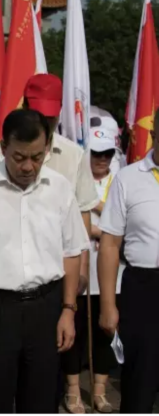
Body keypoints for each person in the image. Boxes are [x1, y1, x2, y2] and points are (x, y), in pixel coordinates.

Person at [0, 109, 89, 413]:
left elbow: (71, 252)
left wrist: (68, 310)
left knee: (41, 399)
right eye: (19, 158)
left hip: (47, 308)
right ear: (4, 149)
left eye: (37, 157)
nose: (29, 166)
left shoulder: (59, 188)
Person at [0, 74, 98, 295]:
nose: (46, 122)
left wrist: (82, 268)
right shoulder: (0, 154)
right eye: (39, 114)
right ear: (25, 106)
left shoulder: (73, 155)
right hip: (9, 269)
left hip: (59, 268)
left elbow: (82, 212)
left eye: (51, 116)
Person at [98, 108, 159, 413]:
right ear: (154, 135)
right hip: (143, 288)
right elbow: (109, 243)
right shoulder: (128, 178)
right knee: (139, 384)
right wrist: (108, 304)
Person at [61, 121, 123, 414]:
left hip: (113, 274)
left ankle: (99, 390)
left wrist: (100, 226)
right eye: (97, 153)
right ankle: (73, 390)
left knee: (107, 333)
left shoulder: (122, 179)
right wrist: (103, 230)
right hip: (82, 269)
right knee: (75, 330)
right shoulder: (75, 176)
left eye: (107, 153)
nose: (102, 159)